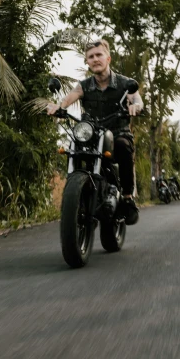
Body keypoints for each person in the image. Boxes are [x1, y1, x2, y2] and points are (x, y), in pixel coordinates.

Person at [47, 39, 143, 225]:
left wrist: (136, 106)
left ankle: (128, 196)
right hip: (91, 135)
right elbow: (68, 99)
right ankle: (76, 195)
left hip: (117, 135)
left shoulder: (124, 83)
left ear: (108, 58)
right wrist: (57, 106)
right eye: (91, 57)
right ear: (87, 62)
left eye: (99, 55)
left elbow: (136, 98)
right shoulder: (84, 85)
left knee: (124, 146)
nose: (95, 59)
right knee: (73, 147)